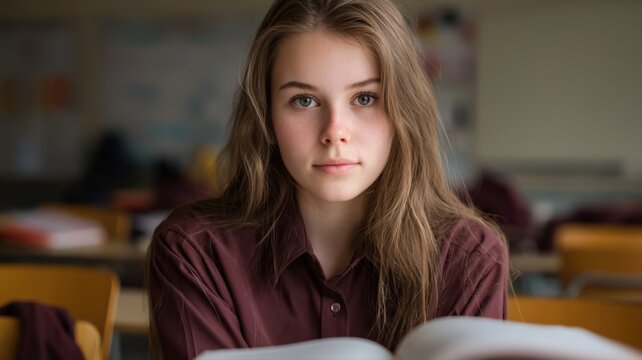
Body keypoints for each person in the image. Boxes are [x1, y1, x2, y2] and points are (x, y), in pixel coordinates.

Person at [147, 0, 509, 359]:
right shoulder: (194, 253)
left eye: (365, 98)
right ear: (266, 117)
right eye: (304, 101)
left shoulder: (470, 258)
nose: (335, 132)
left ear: (404, 112)